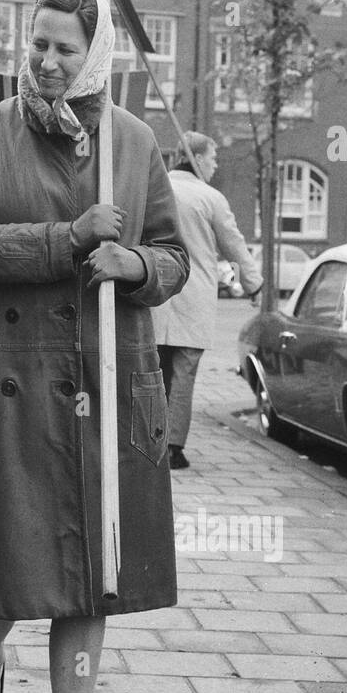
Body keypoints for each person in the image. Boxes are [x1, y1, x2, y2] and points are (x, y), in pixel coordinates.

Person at [0, 0, 188, 693]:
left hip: (106, 380)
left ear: (94, 56)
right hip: (11, 378)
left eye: (65, 48)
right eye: (37, 44)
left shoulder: (133, 141)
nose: (46, 60)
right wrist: (68, 240)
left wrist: (137, 268)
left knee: (90, 581)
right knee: (5, 563)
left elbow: (175, 259)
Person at [151, 131, 262, 470]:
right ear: (197, 158)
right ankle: (172, 449)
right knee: (183, 376)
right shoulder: (210, 198)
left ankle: (145, 439)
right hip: (193, 295)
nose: (214, 166)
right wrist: (254, 284)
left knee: (151, 371)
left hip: (155, 291)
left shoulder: (153, 189)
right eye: (213, 159)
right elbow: (234, 245)